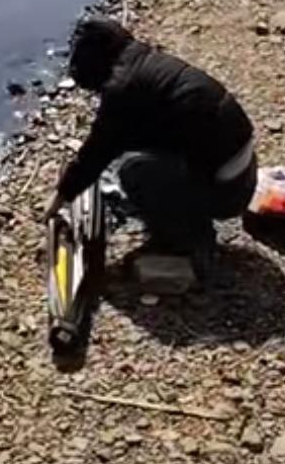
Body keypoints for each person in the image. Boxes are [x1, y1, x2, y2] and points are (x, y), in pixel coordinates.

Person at [51, 15, 257, 275]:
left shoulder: (122, 88)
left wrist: (60, 199)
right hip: (243, 171)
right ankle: (185, 217)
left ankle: (188, 239)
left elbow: (96, 152)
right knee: (132, 153)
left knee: (131, 170)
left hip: (226, 193)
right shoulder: (147, 63)